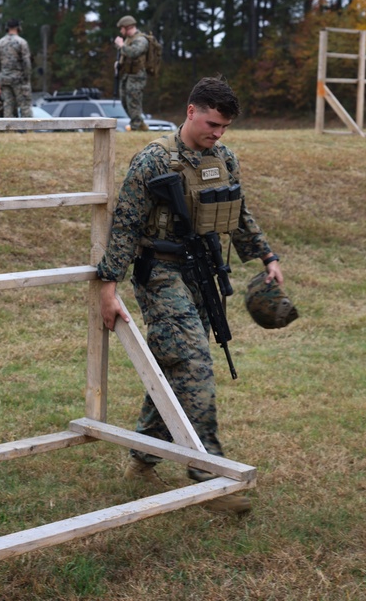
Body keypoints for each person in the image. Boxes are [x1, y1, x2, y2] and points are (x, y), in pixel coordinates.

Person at [96, 77, 284, 516]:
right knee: (194, 362)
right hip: (159, 271)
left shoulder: (223, 158)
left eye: (225, 127)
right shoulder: (153, 160)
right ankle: (210, 477)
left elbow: (237, 213)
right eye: (212, 124)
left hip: (202, 268)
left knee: (174, 362)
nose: (217, 133)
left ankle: (142, 459)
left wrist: (265, 256)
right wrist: (109, 288)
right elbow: (124, 225)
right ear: (191, 111)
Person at [0, 19, 33, 118]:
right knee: (25, 106)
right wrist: (27, 78)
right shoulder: (21, 42)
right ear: (18, 27)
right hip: (19, 79)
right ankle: (27, 130)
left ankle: (8, 129)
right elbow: (26, 62)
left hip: (4, 80)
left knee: (7, 105)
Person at [115, 15, 150, 132]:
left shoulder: (141, 40)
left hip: (137, 76)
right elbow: (126, 57)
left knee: (133, 101)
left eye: (122, 28)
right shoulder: (128, 40)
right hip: (127, 75)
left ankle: (136, 127)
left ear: (127, 27)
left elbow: (134, 53)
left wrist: (121, 46)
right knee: (125, 101)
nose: (121, 31)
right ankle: (140, 125)